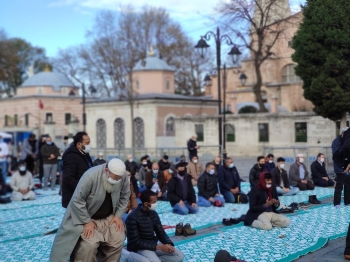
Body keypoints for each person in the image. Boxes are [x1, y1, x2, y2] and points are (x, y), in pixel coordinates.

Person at [50, 158, 130, 262]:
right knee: (89, 245)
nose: (116, 181)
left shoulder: (121, 176)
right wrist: (86, 221)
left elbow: (125, 195)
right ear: (107, 171)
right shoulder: (90, 175)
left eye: (118, 179)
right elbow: (77, 200)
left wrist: (118, 216)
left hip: (109, 217)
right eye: (114, 179)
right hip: (87, 217)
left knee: (118, 239)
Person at [126, 189, 185, 262]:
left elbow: (161, 232)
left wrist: (168, 244)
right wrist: (159, 247)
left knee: (179, 256)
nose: (156, 204)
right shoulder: (133, 217)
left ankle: (153, 259)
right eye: (154, 202)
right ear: (146, 204)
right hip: (139, 248)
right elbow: (135, 242)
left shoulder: (153, 214)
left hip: (153, 246)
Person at [61, 131, 93, 208]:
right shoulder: (71, 157)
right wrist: (83, 188)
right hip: (74, 197)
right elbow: (68, 178)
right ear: (79, 144)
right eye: (87, 143)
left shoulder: (85, 154)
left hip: (84, 196)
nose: (89, 146)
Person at [333, 127, 350, 207]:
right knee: (339, 185)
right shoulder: (336, 142)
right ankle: (337, 202)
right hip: (339, 166)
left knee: (347, 184)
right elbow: (337, 156)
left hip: (346, 165)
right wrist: (342, 167)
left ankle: (347, 201)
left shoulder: (346, 141)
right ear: (343, 133)